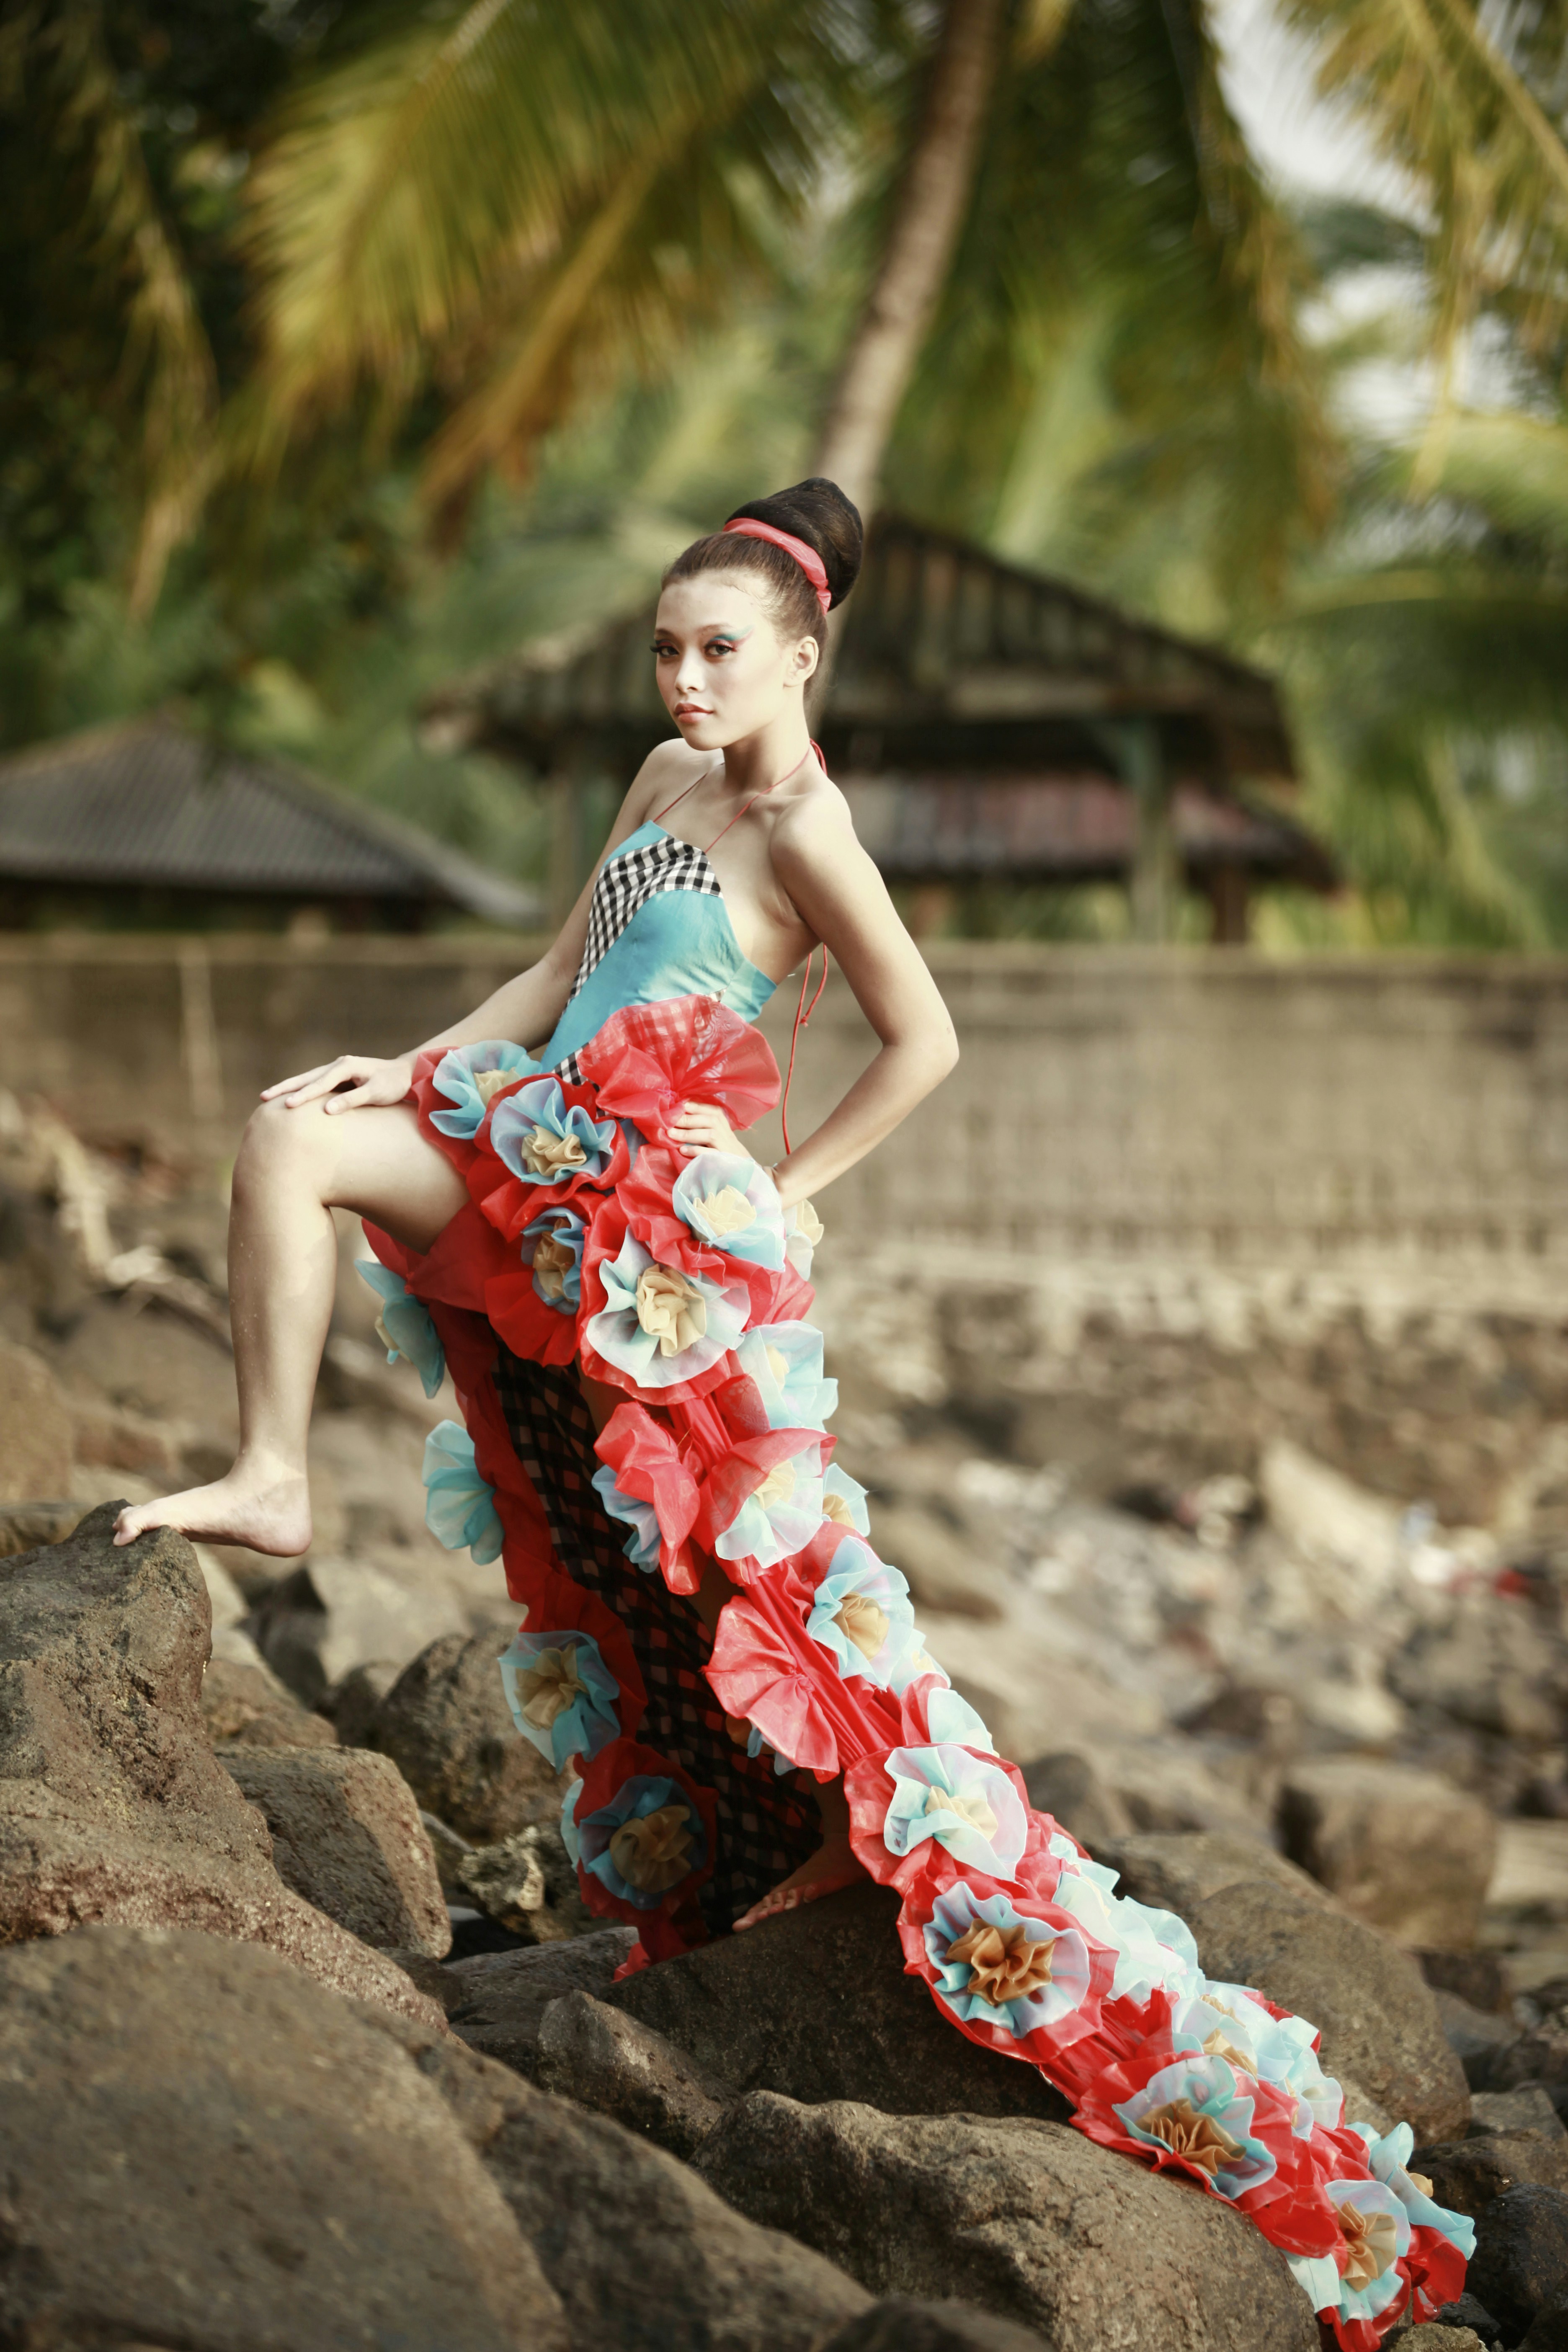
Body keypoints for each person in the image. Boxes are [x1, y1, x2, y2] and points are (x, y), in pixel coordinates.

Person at [114, 480, 1471, 2343]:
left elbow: (928, 1036)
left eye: (719, 652)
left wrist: (792, 1186)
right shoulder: (664, 782)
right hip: (540, 1150)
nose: (685, 681)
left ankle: (875, 1863)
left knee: (754, 1585)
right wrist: (401, 1064)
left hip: (668, 1233)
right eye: (666, 650)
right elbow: (556, 975)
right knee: (296, 1142)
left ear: (802, 660)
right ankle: (274, 1474)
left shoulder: (811, 829)